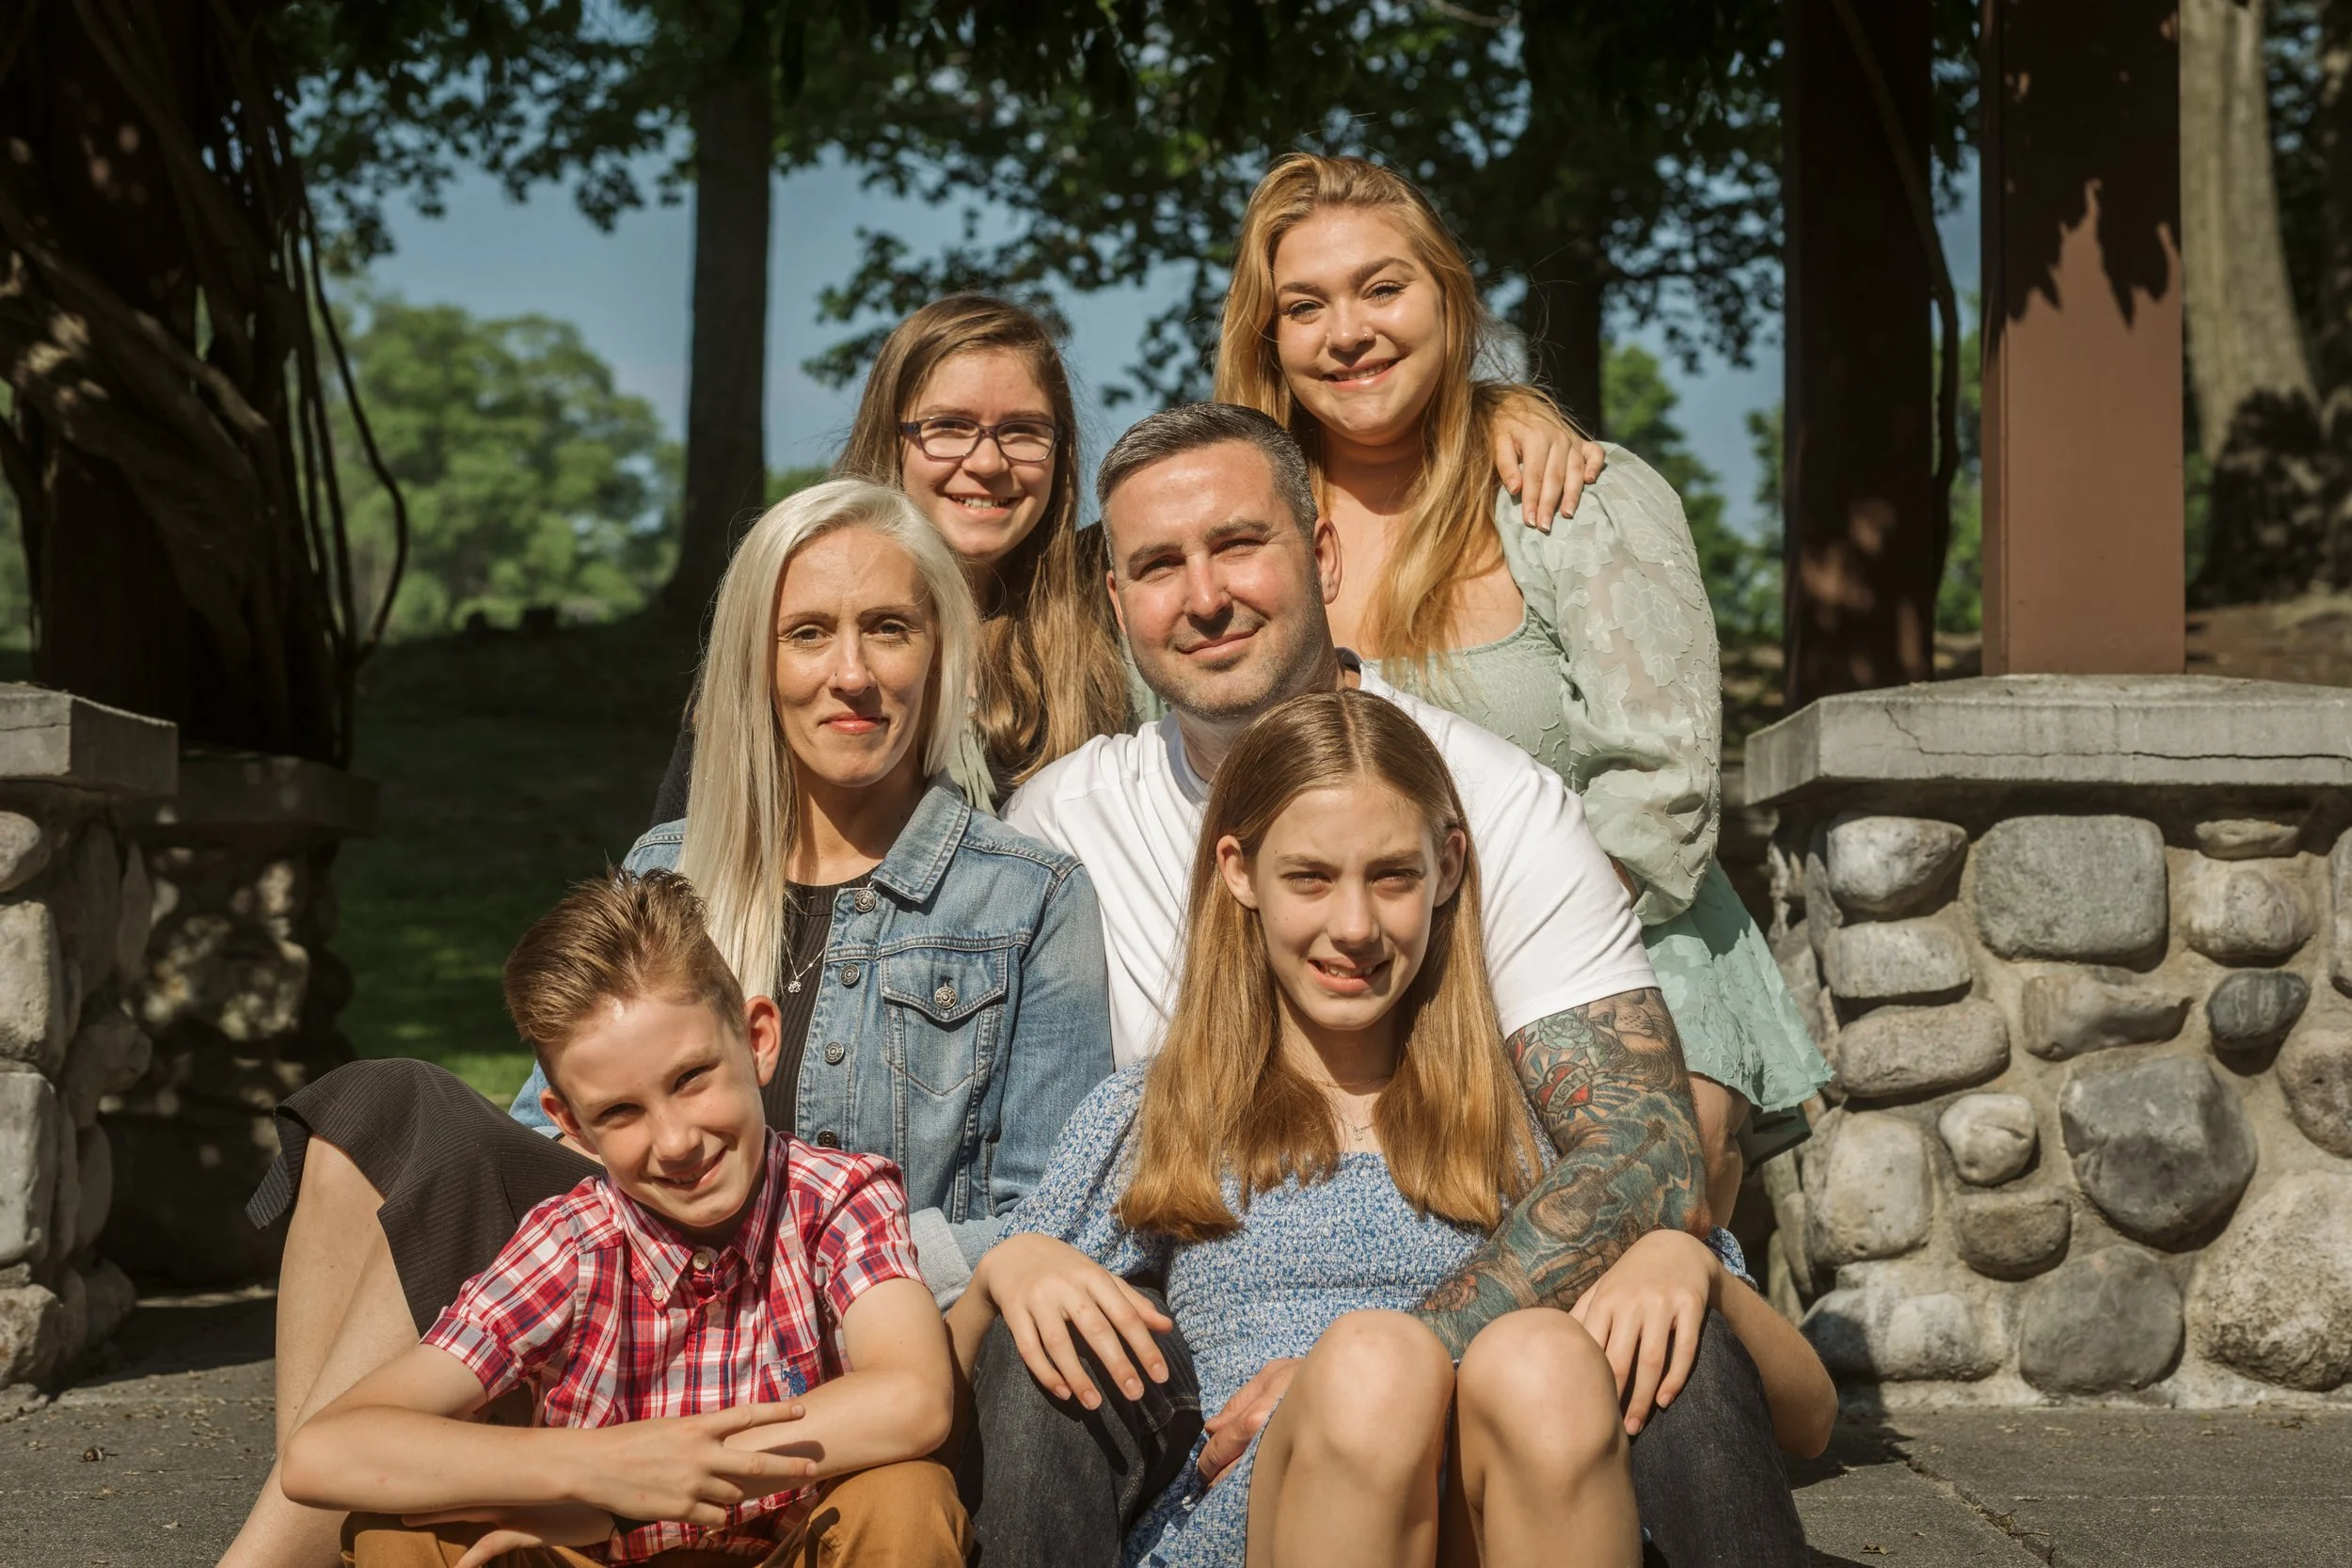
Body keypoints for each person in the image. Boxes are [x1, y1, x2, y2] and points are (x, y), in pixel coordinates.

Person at [966, 402, 1813, 1568]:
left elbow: (1644, 1156)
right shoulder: (1055, 826)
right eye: (1158, 564)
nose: (1203, 595)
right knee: (1044, 1345)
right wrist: (1003, 1254)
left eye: (1237, 544)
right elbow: (1019, 1181)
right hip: (1214, 1430)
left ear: (1322, 553)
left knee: (1567, 1339)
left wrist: (1658, 1256)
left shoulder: (1496, 800)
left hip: (1507, 1416)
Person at [225, 480, 1112, 1568]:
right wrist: (590, 1395)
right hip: (648, 1313)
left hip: (874, 1334)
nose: (852, 671)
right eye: (808, 633)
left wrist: (846, 1267)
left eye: (888, 627)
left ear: (940, 651)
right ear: (756, 659)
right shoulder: (672, 863)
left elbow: (1046, 1201)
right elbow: (559, 1125)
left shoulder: (1025, 892)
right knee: (384, 1104)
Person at [1214, 152, 1830, 1227]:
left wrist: (1464, 969)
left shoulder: (1570, 496)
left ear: (1449, 297)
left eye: (1382, 288)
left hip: (1612, 936)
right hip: (1349, 955)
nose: (1346, 330)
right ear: (1267, 340)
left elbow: (1660, 792)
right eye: (1302, 305)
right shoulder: (1241, 535)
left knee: (1627, 1231)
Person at [649, 293, 1610, 817]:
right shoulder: (807, 620)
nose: (986, 461)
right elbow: (680, 845)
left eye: (1023, 432)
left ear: (1064, 459)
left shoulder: (1106, 595)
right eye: (945, 427)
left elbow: (1253, 470)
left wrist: (1493, 408)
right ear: (887, 438)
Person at [282, 869, 965, 1568]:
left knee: (909, 1495)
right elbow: (323, 1451)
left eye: (691, 1077)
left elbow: (913, 1397)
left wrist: (658, 1479)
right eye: (619, 1111)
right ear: (571, 1123)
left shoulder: (838, 1197)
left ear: (758, 1039)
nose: (675, 1141)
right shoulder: (571, 1242)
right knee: (393, 1526)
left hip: (790, 1548)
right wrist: (596, 1467)